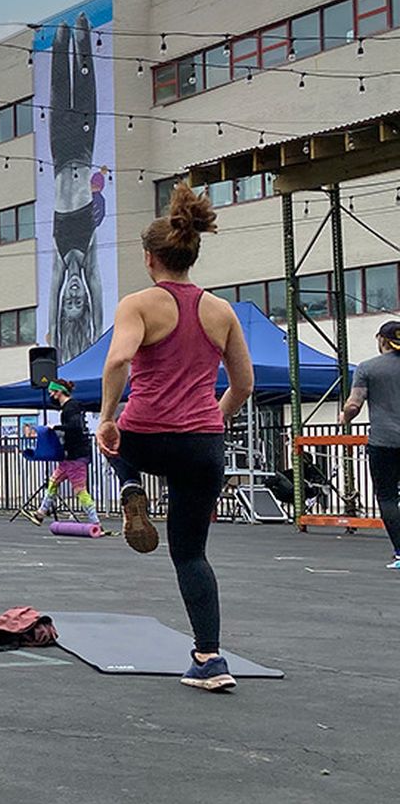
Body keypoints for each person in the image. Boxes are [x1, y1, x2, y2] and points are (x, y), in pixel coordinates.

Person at [97, 182, 254, 693]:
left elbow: (119, 359)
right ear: (191, 253)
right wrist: (215, 414)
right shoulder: (222, 310)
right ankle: (210, 659)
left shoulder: (139, 304)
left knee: (108, 440)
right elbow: (245, 384)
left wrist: (107, 416)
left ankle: (128, 487)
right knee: (191, 554)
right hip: (201, 443)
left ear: (149, 259)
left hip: (145, 435)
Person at [340, 319, 400, 569]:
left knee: (387, 497)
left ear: (382, 340)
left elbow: (355, 403)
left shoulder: (367, 368)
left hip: (383, 442)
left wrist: (345, 416)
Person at [27, 377, 99, 527]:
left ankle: (96, 522)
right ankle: (41, 513)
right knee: (53, 481)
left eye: (52, 392)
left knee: (80, 490)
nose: (51, 395)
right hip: (70, 456)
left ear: (60, 392)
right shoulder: (71, 407)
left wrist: (56, 427)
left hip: (76, 456)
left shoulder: (70, 407)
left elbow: (74, 427)